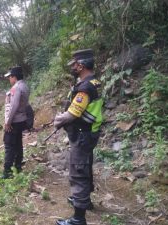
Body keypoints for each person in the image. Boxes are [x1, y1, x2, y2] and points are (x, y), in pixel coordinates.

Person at [53, 49, 103, 225]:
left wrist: (58, 120)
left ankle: (78, 219)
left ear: (81, 65)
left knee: (78, 172)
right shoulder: (94, 82)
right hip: (89, 133)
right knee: (86, 166)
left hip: (83, 135)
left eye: (74, 65)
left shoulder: (85, 87)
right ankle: (85, 201)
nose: (72, 67)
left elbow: (72, 114)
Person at [2, 66, 30, 179]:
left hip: (14, 121)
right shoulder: (25, 86)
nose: (9, 79)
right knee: (18, 143)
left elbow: (14, 105)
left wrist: (8, 122)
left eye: (10, 77)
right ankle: (18, 166)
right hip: (22, 120)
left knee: (9, 145)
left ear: (14, 77)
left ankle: (7, 172)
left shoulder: (16, 88)